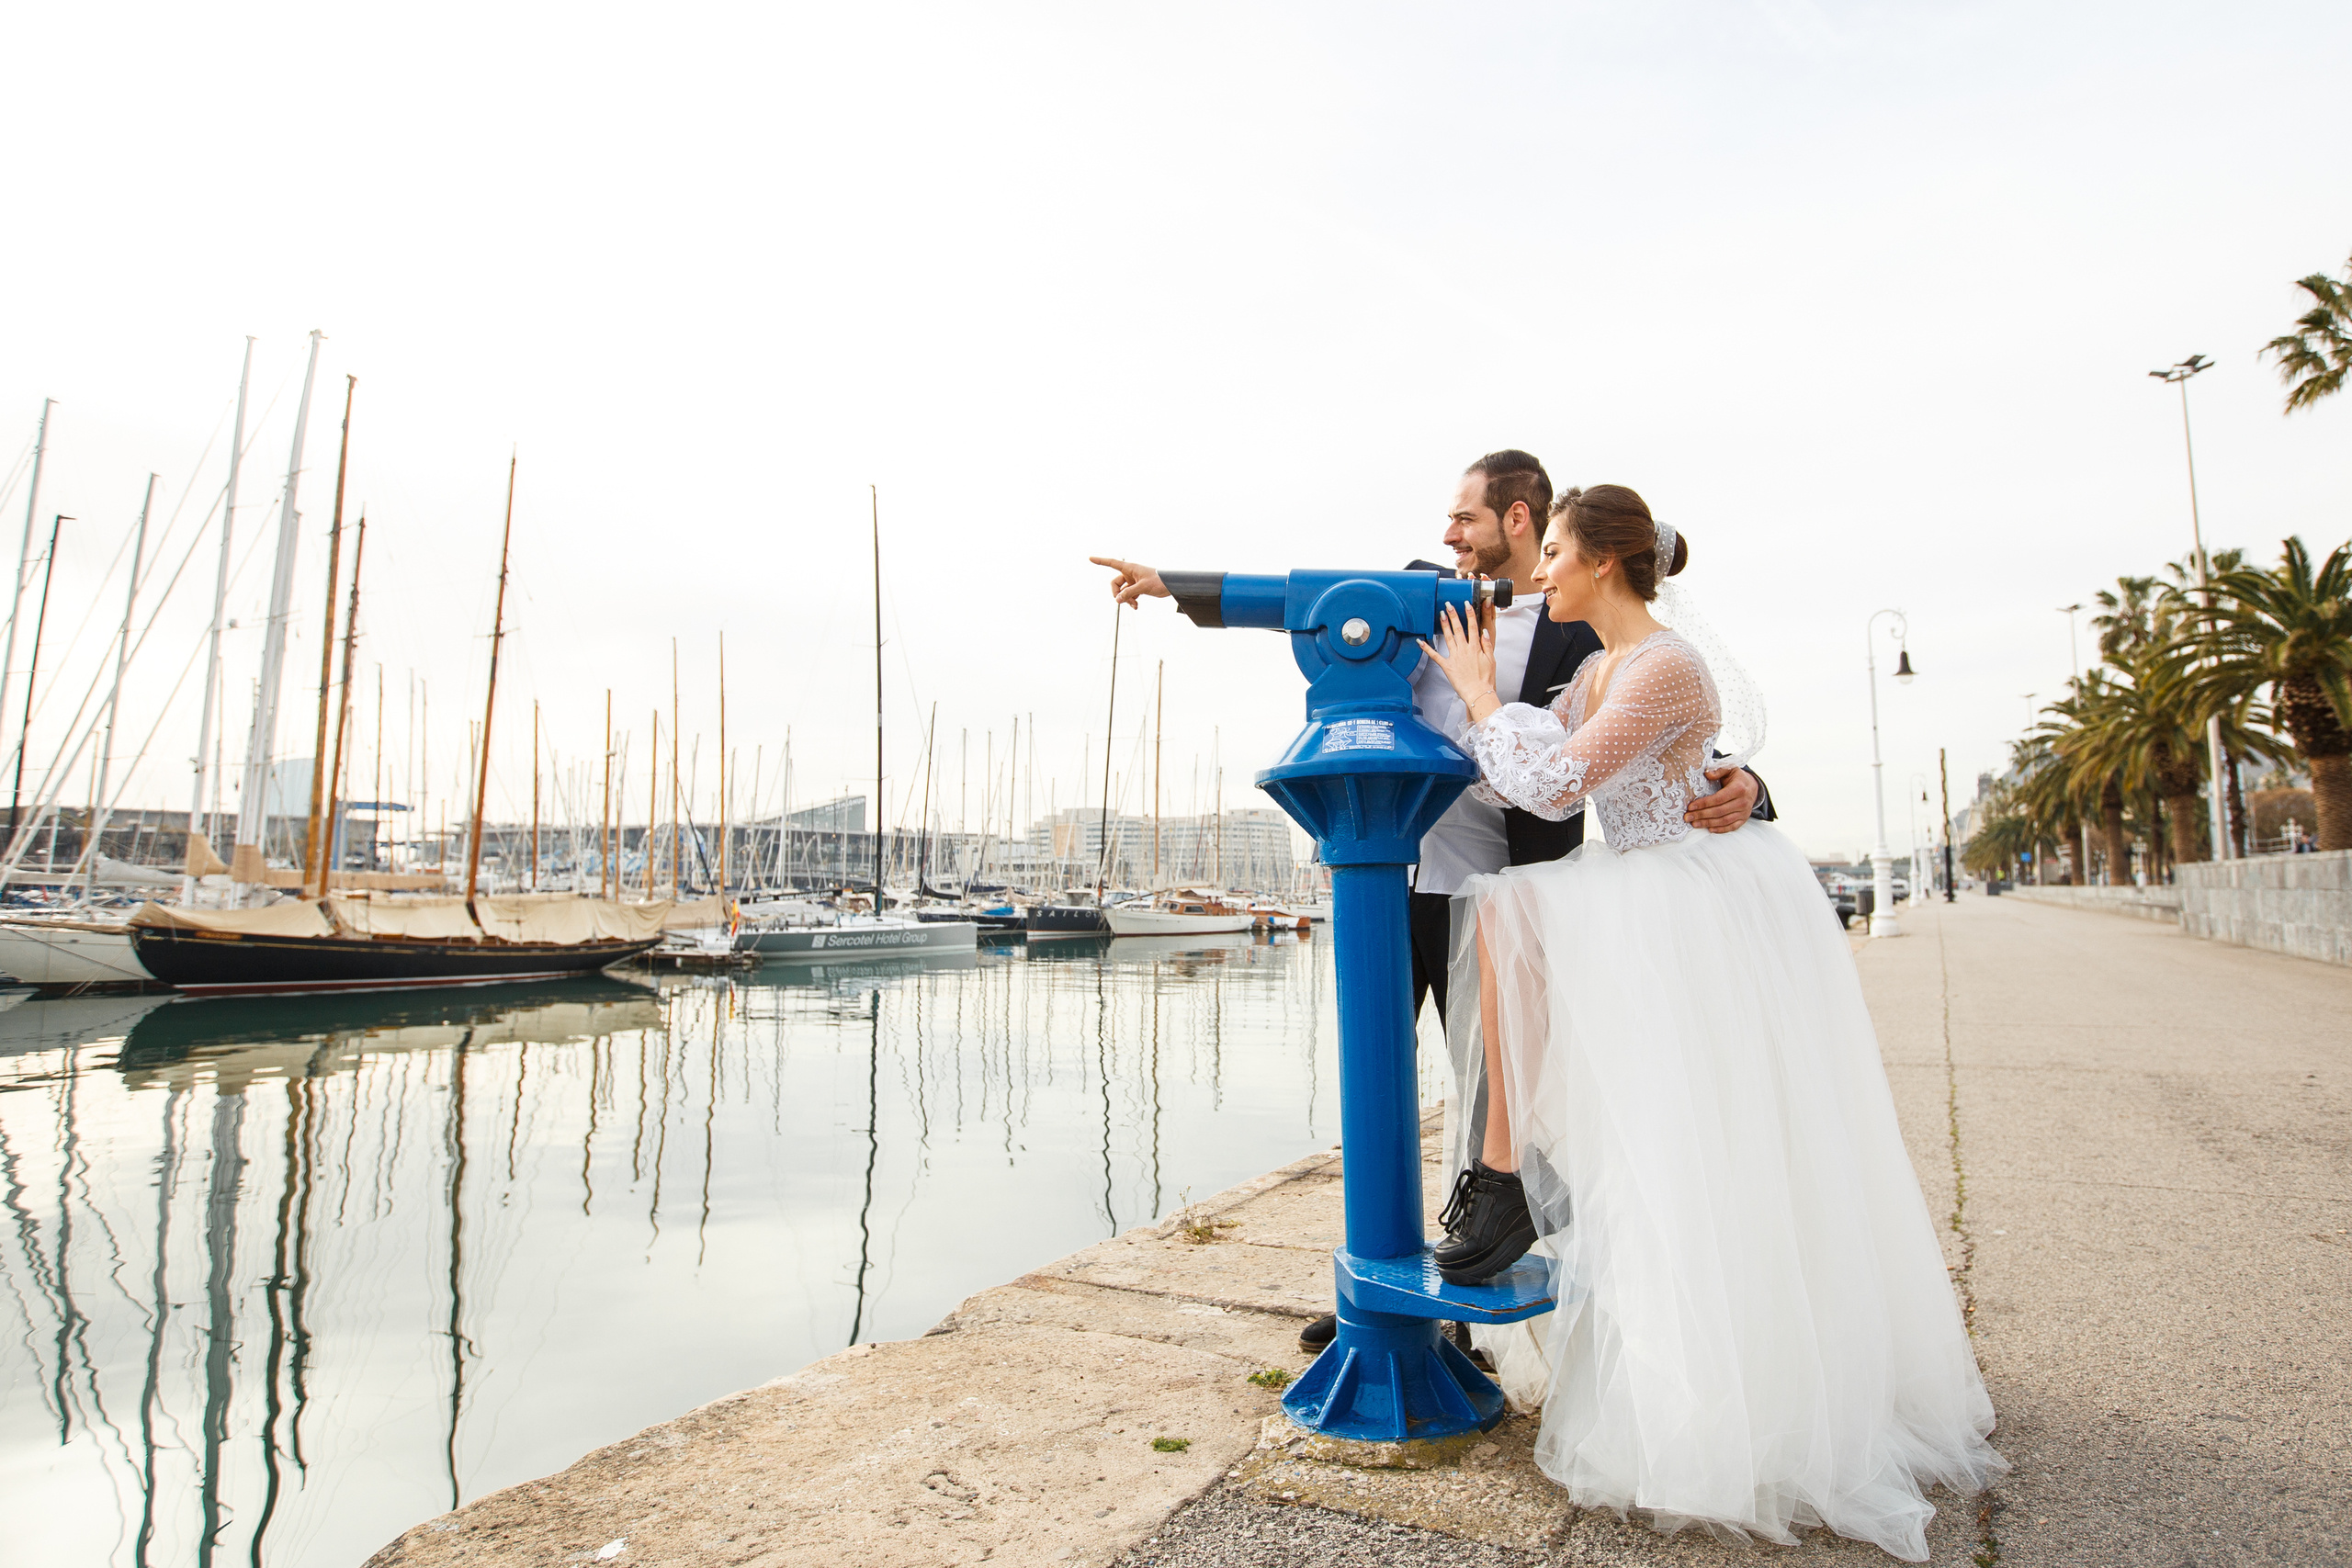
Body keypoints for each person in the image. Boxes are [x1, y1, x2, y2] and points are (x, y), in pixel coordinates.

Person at [1415, 483, 2003, 1560]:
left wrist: (1477, 694)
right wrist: (1473, 694)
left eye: (1553, 551)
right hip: (1649, 894)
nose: (1541, 570)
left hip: (1689, 899)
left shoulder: (1665, 665)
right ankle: (1509, 1186)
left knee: (1530, 939)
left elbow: (1550, 789)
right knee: (1629, 1094)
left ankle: (1503, 1186)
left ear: (1601, 562)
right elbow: (1531, 761)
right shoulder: (1597, 667)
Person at [1091, 449, 1771, 1353]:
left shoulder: (1583, 637)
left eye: (1466, 519)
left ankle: (1461, 1302)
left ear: (1521, 521)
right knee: (1374, 1093)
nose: (1447, 534)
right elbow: (1302, 597)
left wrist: (1752, 786)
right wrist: (1177, 585)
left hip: (1502, 891)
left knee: (1492, 1093)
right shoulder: (1409, 595)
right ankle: (1380, 1289)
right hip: (1392, 882)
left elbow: (1678, 741)